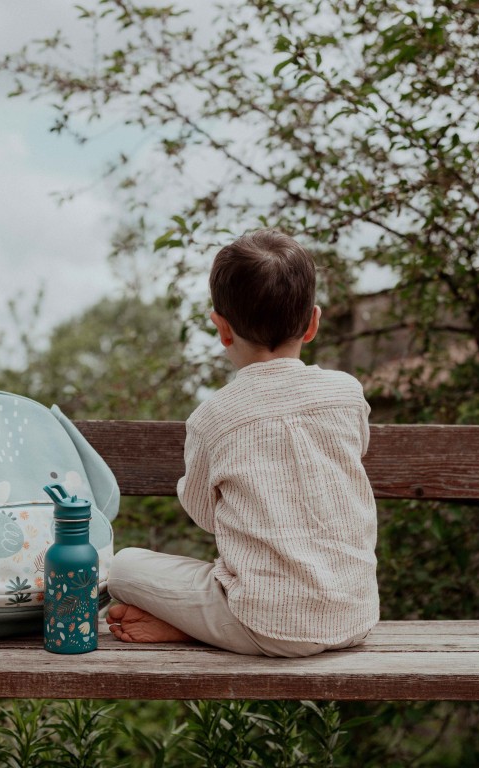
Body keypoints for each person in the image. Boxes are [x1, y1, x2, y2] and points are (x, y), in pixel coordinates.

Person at [106, 229, 379, 657]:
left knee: (122, 567)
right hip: (356, 616)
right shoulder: (346, 394)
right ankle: (205, 623)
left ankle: (199, 625)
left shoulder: (214, 417)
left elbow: (206, 515)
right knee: (242, 583)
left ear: (222, 328)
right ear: (313, 323)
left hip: (266, 624)